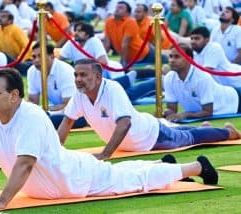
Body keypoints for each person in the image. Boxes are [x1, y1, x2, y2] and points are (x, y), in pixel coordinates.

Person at [0, 68, 218, 212]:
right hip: (63, 180)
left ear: (14, 96)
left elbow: (25, 164)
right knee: (124, 172)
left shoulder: (30, 116)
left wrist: (2, 202)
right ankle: (162, 163)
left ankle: (195, 166)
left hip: (76, 179)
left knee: (136, 179)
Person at [57, 58, 240, 160]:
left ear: (97, 77)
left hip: (150, 136)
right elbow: (67, 120)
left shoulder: (112, 89)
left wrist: (106, 153)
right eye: (76, 75)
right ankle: (206, 129)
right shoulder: (80, 93)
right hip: (140, 138)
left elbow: (124, 123)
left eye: (83, 75)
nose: (78, 79)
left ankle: (227, 132)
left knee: (189, 138)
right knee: (183, 132)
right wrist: (58, 149)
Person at [163, 44, 241, 121]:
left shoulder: (202, 77)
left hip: (236, 100)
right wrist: (164, 113)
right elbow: (171, 109)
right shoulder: (168, 78)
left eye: (177, 57)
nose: (172, 60)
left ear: (189, 59)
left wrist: (186, 114)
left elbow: (207, 112)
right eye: (170, 56)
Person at [27, 42, 86, 129]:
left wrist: (46, 111)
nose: (36, 60)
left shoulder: (65, 71)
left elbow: (69, 106)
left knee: (43, 120)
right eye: (34, 57)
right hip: (55, 112)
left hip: (78, 113)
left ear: (52, 56)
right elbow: (33, 101)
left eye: (40, 56)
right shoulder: (32, 71)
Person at [103, 1, 155, 66]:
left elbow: (125, 43)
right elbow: (106, 42)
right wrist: (103, 59)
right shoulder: (109, 21)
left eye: (121, 8)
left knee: (165, 60)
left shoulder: (130, 22)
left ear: (127, 13)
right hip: (130, 57)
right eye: (116, 7)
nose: (117, 9)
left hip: (145, 54)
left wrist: (122, 62)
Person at [0, 10, 32, 75]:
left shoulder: (15, 29)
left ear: (10, 21)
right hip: (9, 60)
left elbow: (26, 46)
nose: (0, 19)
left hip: (23, 60)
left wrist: (19, 60)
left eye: (3, 17)